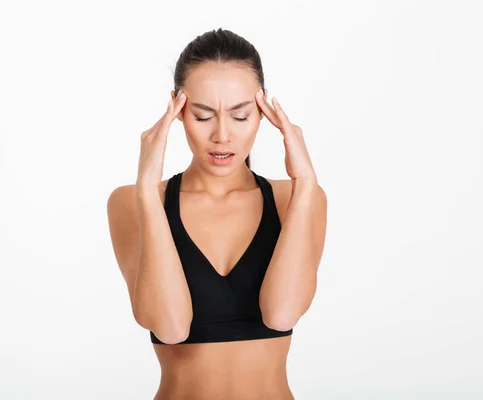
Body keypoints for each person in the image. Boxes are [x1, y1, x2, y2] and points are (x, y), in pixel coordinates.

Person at [107, 28, 327, 400]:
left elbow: (282, 314)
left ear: (263, 112)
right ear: (176, 110)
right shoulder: (133, 201)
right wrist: (147, 188)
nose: (222, 135)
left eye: (240, 116)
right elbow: (170, 326)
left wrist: (305, 182)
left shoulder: (296, 198)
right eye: (203, 115)